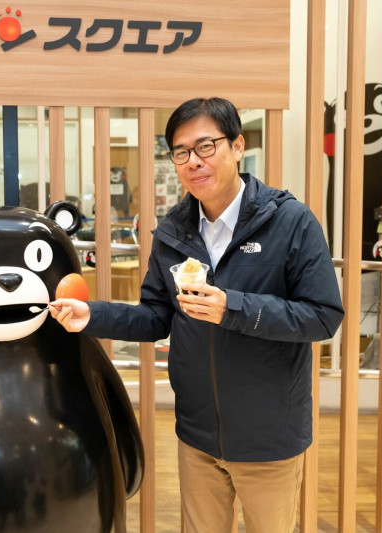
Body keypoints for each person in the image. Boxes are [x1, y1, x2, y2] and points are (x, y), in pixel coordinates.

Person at [50, 97, 344, 533]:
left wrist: (233, 307)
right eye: (181, 152)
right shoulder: (174, 231)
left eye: (206, 146)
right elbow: (155, 316)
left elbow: (323, 316)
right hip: (199, 433)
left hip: (268, 434)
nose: (193, 161)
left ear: (238, 146)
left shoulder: (291, 222)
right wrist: (90, 315)